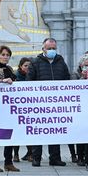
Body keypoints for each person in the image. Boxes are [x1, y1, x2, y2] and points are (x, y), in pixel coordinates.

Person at [26, 38, 70, 167]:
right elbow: (29, 81)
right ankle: (36, 158)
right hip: (39, 103)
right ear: (43, 49)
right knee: (38, 130)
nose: (52, 50)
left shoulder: (61, 61)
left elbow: (67, 79)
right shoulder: (35, 62)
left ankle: (55, 158)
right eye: (49, 48)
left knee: (55, 130)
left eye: (53, 48)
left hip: (57, 103)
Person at [13, 57, 31, 162]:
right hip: (18, 108)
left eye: (29, 65)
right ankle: (15, 154)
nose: (27, 68)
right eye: (25, 66)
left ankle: (30, 153)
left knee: (29, 131)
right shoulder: (16, 76)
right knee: (17, 132)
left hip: (29, 108)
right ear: (20, 66)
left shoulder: (32, 75)